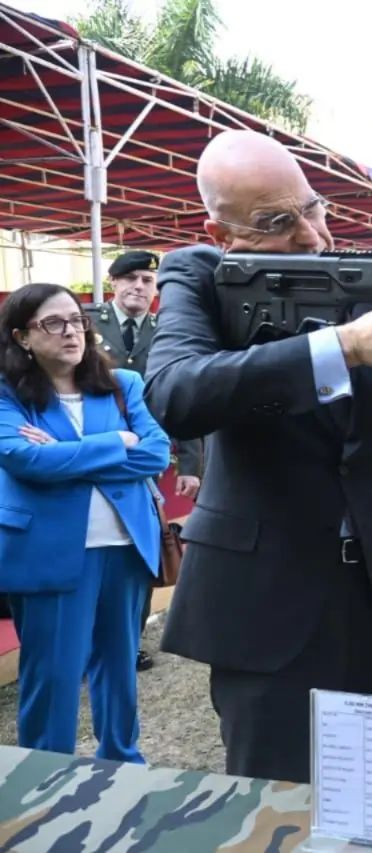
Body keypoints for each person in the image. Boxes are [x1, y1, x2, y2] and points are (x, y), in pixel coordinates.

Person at [143, 130, 372, 784]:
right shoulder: (197, 274)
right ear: (220, 230)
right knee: (273, 801)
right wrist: (342, 348)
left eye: (312, 207)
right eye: (276, 223)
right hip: (265, 594)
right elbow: (175, 392)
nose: (310, 234)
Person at [0, 283, 170, 762]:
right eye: (53, 323)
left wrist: (63, 454)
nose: (71, 331)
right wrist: (117, 442)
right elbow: (23, 460)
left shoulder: (123, 384)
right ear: (22, 337)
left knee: (118, 666)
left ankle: (121, 761)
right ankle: (43, 772)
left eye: (77, 320)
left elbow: (156, 453)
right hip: (50, 552)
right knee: (53, 673)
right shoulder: (8, 394)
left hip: (125, 546)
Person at [88, 248, 204, 673]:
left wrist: (190, 465)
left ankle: (127, 642)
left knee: (139, 552)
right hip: (87, 453)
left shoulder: (168, 332)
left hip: (142, 462)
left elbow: (183, 397)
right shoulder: (83, 322)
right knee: (88, 551)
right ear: (114, 282)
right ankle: (85, 642)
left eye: (148, 281)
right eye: (131, 278)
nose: (139, 286)